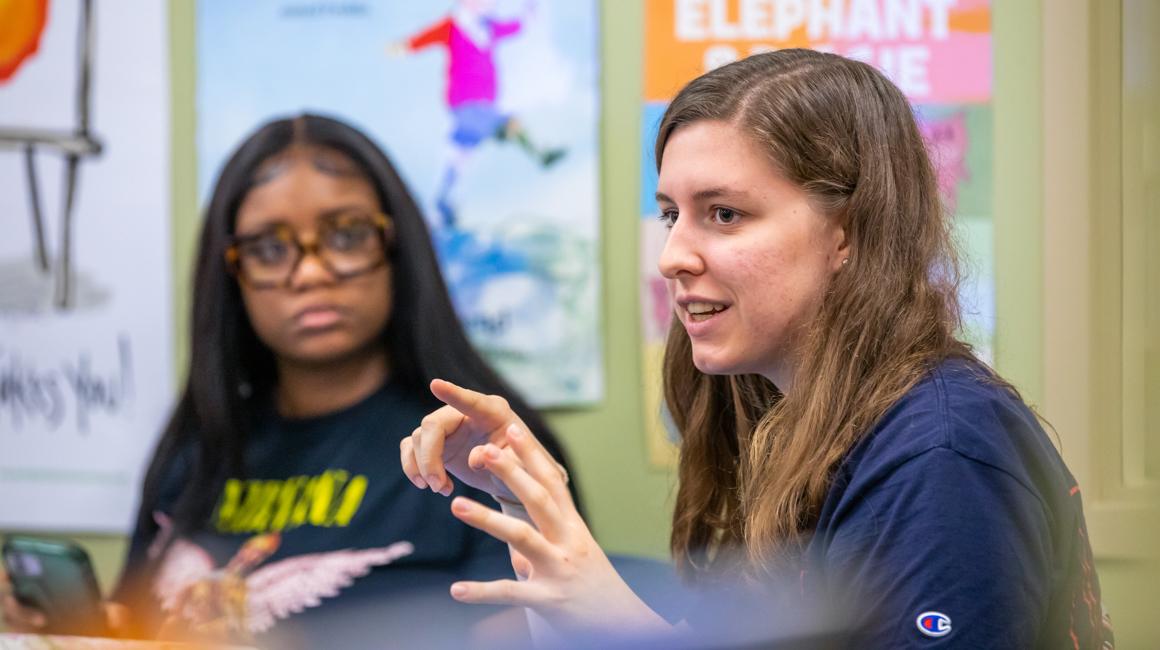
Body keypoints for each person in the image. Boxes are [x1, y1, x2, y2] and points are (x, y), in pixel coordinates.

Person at [399, 49, 1114, 648]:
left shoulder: (940, 455)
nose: (673, 255)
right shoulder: (778, 418)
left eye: (724, 214)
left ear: (850, 234)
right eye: (671, 215)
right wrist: (528, 500)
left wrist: (621, 620)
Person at [2, 113, 578, 647]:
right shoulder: (195, 450)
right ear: (232, 272)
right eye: (270, 248)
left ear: (396, 247)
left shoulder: (474, 449)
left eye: (347, 235)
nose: (309, 272)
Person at [388, 0, 565, 229]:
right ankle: (541, 155)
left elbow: (517, 27)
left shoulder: (488, 27)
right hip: (466, 103)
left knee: (459, 155)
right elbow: (423, 39)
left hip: (484, 104)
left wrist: (531, 9)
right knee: (509, 124)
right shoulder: (454, 25)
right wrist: (403, 47)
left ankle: (443, 203)